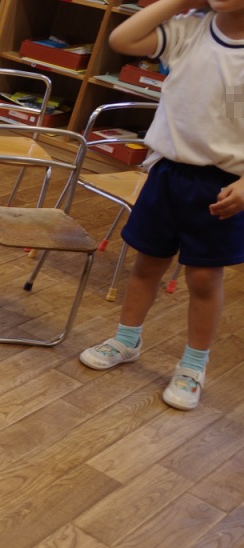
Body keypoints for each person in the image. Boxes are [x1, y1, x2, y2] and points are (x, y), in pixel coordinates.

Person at [78, 0, 244, 411]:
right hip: (168, 172)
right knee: (147, 262)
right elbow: (123, 39)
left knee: (203, 278)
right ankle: (126, 339)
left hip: (223, 185)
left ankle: (193, 366)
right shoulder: (190, 27)